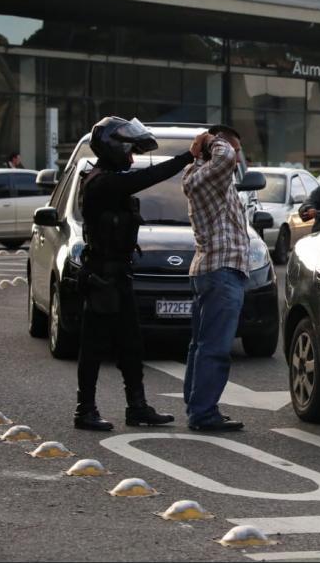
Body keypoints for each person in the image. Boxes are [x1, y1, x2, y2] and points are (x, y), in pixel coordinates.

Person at [74, 117, 195, 431]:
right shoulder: (103, 182)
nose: (131, 158)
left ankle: (137, 407)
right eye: (128, 151)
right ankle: (85, 410)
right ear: (113, 148)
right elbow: (149, 177)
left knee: (131, 344)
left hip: (118, 274)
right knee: (93, 347)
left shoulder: (108, 176)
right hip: (101, 275)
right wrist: (187, 156)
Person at [182, 125, 249, 432]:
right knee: (216, 347)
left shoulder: (200, 175)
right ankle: (203, 413)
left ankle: (196, 405)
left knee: (201, 344)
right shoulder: (211, 175)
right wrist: (211, 141)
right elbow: (222, 158)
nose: (237, 159)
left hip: (210, 269)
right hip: (221, 271)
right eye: (236, 151)